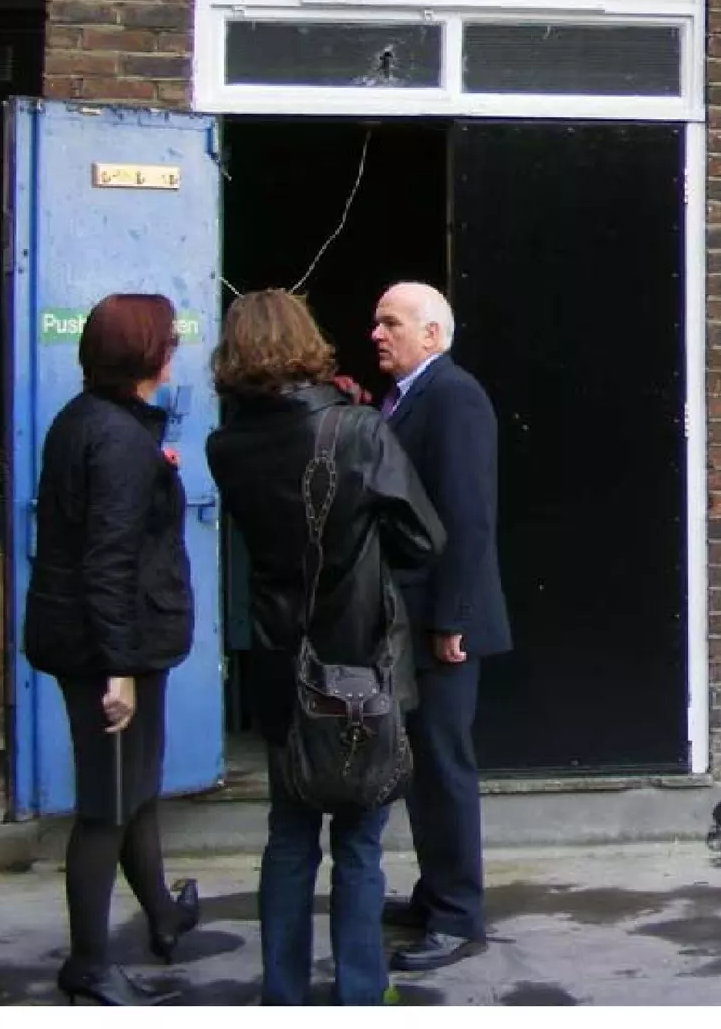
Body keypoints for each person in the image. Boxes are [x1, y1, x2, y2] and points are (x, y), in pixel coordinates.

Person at [206, 290, 445, 1006]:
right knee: (359, 843)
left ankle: (282, 996)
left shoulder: (226, 446)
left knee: (288, 836)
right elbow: (424, 539)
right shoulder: (359, 431)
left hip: (283, 662)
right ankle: (359, 996)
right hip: (362, 658)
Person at [22, 293, 201, 1006]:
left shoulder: (86, 421)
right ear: (145, 355)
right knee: (106, 807)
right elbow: (108, 560)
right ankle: (89, 967)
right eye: (169, 340)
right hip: (109, 650)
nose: (176, 350)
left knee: (135, 791)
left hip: (98, 638)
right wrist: (119, 670)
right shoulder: (120, 439)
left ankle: (161, 915)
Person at [369, 282, 511, 972]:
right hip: (420, 617)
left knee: (445, 764)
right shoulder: (406, 397)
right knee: (423, 763)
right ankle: (435, 893)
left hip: (444, 621)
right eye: (376, 322)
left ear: (432, 334)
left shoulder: (454, 396)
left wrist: (452, 617)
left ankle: (459, 917)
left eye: (391, 322)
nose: (377, 333)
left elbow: (466, 512)